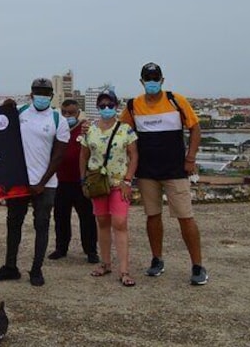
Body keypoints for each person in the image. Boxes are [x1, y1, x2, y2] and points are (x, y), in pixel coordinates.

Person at [120, 62, 207, 285]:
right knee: (152, 216)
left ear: (162, 80)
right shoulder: (133, 105)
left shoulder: (175, 100)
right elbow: (119, 131)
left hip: (175, 170)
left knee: (185, 217)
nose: (151, 82)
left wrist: (190, 158)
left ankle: (197, 266)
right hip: (147, 171)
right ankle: (157, 259)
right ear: (141, 81)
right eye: (147, 79)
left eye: (155, 78)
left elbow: (195, 128)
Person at [0, 78, 70, 286]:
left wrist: (42, 182)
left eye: (45, 92)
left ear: (51, 96)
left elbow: (58, 156)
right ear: (31, 94)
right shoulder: (21, 112)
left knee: (41, 225)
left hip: (45, 183)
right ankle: (10, 266)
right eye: (38, 92)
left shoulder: (58, 119)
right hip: (19, 181)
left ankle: (36, 269)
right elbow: (0, 128)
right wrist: (5, 109)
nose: (41, 96)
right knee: (13, 223)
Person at [80, 89, 139, 286]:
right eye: (103, 106)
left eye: (110, 106)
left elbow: (134, 156)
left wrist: (128, 180)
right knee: (103, 222)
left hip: (119, 183)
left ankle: (124, 269)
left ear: (116, 107)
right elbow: (84, 155)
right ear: (98, 108)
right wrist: (83, 179)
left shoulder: (126, 130)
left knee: (120, 223)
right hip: (98, 183)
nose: (106, 109)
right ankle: (105, 263)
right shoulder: (90, 130)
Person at [48, 99, 99, 263]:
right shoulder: (56, 128)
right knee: (61, 217)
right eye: (65, 112)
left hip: (81, 181)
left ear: (78, 113)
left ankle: (91, 250)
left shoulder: (86, 130)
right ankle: (61, 248)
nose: (68, 115)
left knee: (87, 218)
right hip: (60, 181)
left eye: (71, 112)